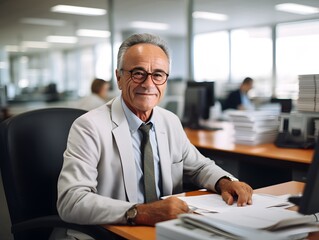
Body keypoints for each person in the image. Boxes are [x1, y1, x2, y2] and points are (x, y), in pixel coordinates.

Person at [56, 33, 252, 239]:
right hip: (111, 233)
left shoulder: (170, 121)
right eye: (138, 73)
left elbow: (200, 166)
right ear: (119, 78)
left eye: (158, 74)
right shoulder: (89, 126)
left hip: (166, 230)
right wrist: (141, 212)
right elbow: (72, 201)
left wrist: (224, 181)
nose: (149, 84)